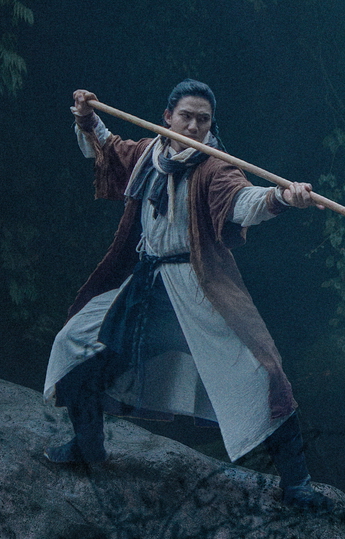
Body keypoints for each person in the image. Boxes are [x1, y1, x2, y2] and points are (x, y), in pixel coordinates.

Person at [43, 79, 328, 509]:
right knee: (77, 344)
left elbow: (243, 201)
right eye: (186, 117)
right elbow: (107, 147)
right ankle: (88, 444)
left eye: (203, 120)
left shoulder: (215, 168)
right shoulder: (148, 155)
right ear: (168, 118)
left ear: (211, 125)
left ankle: (297, 484)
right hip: (145, 284)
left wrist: (283, 197)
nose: (194, 126)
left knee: (260, 372)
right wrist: (86, 116)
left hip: (197, 288)